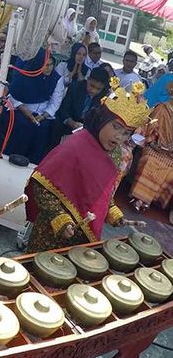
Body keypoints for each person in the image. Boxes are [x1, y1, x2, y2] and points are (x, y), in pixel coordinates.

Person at [24, 82, 150, 252]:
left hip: (84, 237)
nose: (119, 137)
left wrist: (112, 211)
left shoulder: (116, 153)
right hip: (52, 232)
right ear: (102, 119)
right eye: (116, 127)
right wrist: (59, 217)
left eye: (127, 132)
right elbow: (41, 184)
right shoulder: (75, 146)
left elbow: (103, 191)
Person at [0, 51, 63, 163]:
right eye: (45, 65)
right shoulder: (26, 74)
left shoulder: (56, 78)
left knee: (44, 129)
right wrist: (23, 108)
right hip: (21, 108)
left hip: (42, 113)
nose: (48, 68)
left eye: (51, 65)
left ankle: (33, 163)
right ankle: (8, 158)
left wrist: (44, 115)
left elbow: (55, 102)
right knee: (21, 125)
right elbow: (12, 94)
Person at [129, 79, 173, 212]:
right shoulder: (162, 108)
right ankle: (139, 199)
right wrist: (154, 143)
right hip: (154, 145)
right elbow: (151, 128)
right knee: (151, 161)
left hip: (170, 153)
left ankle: (151, 200)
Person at [50, 66, 111, 149]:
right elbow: (63, 109)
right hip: (67, 125)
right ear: (88, 79)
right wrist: (72, 123)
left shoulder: (104, 97)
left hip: (87, 132)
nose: (94, 91)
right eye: (92, 86)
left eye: (98, 89)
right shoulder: (76, 87)